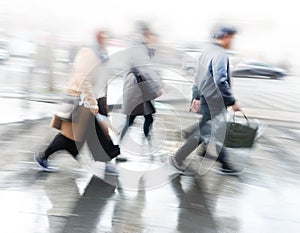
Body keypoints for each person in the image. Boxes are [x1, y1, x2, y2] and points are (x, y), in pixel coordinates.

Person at [35, 31, 119, 175]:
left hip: (96, 100)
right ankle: (43, 156)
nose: (106, 38)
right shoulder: (88, 53)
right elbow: (84, 79)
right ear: (97, 36)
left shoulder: (100, 52)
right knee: (70, 137)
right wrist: (92, 103)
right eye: (104, 35)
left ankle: (107, 162)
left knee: (100, 135)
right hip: (84, 102)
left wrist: (100, 101)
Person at [170, 25, 242, 176]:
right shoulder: (220, 54)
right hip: (215, 100)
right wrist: (232, 101)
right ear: (226, 36)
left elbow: (198, 77)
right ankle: (178, 158)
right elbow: (220, 81)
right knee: (209, 130)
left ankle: (218, 159)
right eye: (232, 38)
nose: (233, 41)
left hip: (205, 97)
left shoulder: (205, 52)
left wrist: (196, 96)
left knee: (211, 129)